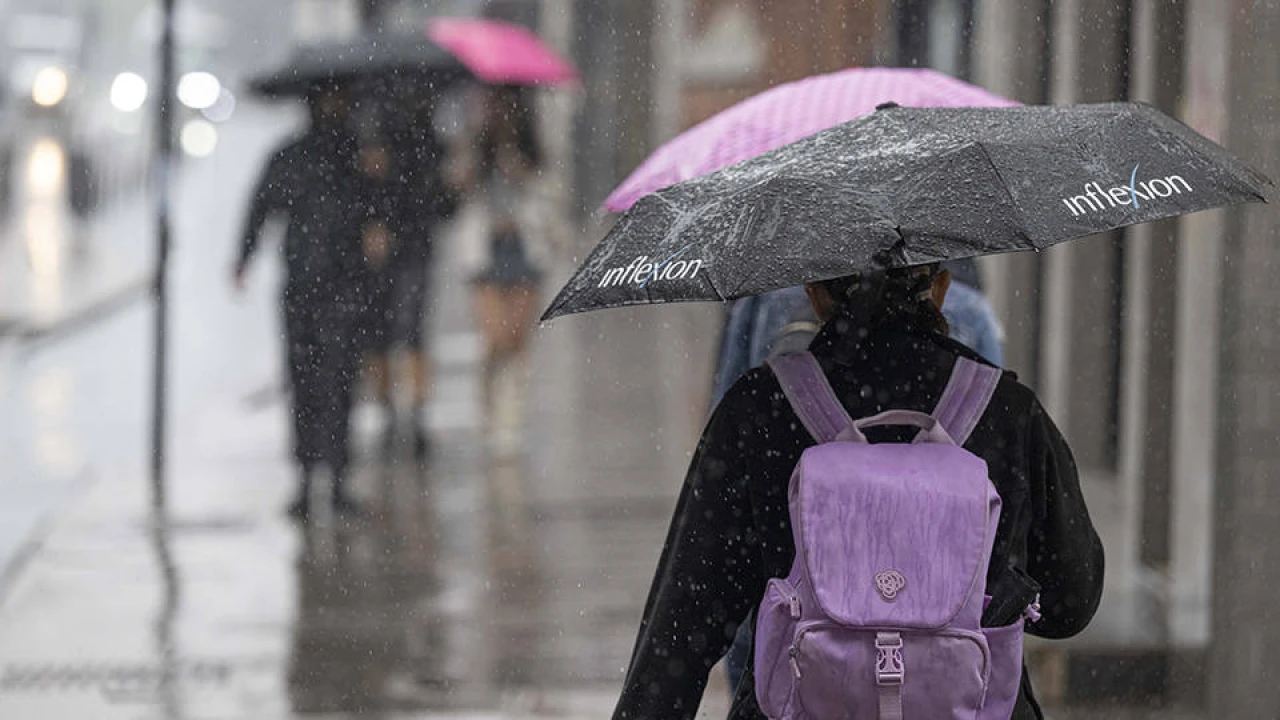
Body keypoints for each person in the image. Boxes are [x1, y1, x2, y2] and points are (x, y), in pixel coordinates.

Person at [613, 264, 1104, 720]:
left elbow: (683, 626)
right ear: (939, 287)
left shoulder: (761, 409)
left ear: (815, 294)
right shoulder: (1009, 411)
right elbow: (1069, 604)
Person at [234, 82, 375, 519]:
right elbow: (260, 207)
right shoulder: (297, 155)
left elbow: (381, 210)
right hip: (307, 285)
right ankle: (309, 477)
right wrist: (245, 256)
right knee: (309, 382)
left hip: (342, 285)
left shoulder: (357, 156)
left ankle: (332, 478)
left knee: (337, 382)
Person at [452, 85, 553, 457]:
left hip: (525, 248)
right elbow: (456, 192)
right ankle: (489, 407)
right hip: (485, 251)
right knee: (494, 336)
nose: (502, 111)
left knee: (517, 340)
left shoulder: (532, 146)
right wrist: (471, 162)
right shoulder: (474, 145)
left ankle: (512, 418)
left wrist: (522, 170)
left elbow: (549, 194)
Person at [359, 92, 460, 461]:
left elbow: (444, 205)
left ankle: (413, 416)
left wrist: (450, 184)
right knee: (383, 333)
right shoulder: (376, 131)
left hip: (416, 246)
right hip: (388, 247)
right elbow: (369, 192)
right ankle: (392, 414)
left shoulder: (431, 141)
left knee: (410, 330)